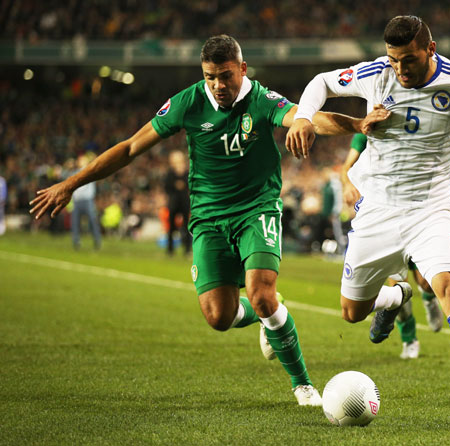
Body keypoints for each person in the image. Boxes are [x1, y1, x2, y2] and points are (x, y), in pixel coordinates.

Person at [30, 34, 385, 407]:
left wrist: (358, 124)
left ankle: (303, 387)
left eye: (225, 76)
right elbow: (131, 148)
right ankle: (268, 313)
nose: (218, 85)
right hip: (208, 218)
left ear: (242, 69)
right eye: (210, 76)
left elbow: (308, 118)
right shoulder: (188, 101)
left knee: (261, 294)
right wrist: (72, 183)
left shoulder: (262, 100)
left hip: (256, 210)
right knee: (219, 317)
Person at [286, 16, 450, 425]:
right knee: (351, 313)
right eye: (394, 60)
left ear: (429, 50)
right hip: (377, 209)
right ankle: (394, 297)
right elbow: (322, 83)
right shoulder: (375, 74)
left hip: (430, 209)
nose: (400, 69)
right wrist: (305, 117)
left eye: (408, 60)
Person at [341, 133, 444, 360]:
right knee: (397, 283)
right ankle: (409, 339)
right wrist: (347, 183)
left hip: (416, 214)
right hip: (383, 220)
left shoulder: (414, 127)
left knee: (426, 281)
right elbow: (346, 166)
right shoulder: (365, 134)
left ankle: (429, 299)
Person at [70, 153, 102, 250]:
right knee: (75, 222)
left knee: (92, 221)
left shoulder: (89, 171)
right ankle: (76, 241)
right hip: (77, 200)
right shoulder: (75, 172)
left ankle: (97, 240)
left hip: (87, 200)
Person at [165, 150, 191, 255]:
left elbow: (190, 185)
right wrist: (176, 185)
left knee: (186, 227)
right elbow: (167, 187)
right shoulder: (170, 173)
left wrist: (180, 185)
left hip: (184, 202)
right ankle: (170, 249)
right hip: (173, 202)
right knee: (171, 227)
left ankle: (187, 249)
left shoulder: (186, 172)